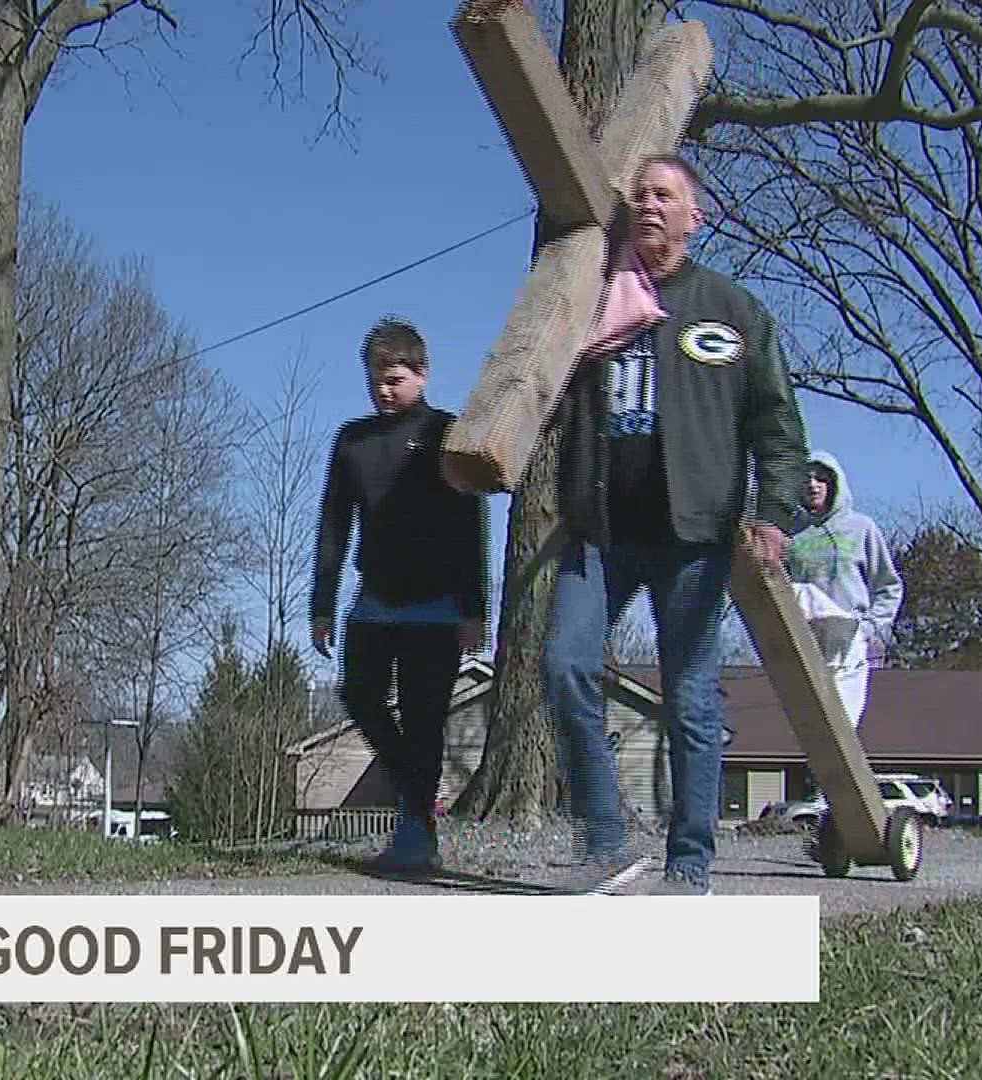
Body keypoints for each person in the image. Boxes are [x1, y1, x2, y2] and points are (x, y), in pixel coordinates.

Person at [539, 154, 809, 896]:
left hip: (693, 534)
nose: (649, 205)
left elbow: (777, 423)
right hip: (602, 532)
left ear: (697, 216)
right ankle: (604, 839)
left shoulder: (732, 309)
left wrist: (775, 513)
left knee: (690, 695)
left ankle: (689, 862)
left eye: (666, 195)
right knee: (564, 663)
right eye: (640, 196)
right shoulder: (597, 302)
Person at [310, 316, 490, 873]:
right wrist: (322, 605)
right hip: (375, 599)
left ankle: (416, 832)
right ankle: (418, 795)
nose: (384, 391)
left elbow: (471, 525)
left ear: (422, 373)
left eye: (394, 378)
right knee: (360, 696)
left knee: (424, 717)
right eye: (374, 381)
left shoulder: (446, 433)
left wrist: (473, 610)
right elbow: (334, 524)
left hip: (435, 605)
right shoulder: (353, 441)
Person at [783, 451, 904, 730]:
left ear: (834, 484)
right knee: (810, 724)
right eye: (807, 478)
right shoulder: (791, 532)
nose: (813, 485)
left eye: (821, 479)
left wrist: (870, 628)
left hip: (849, 636)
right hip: (806, 636)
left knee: (842, 724)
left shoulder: (860, 528)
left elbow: (889, 586)